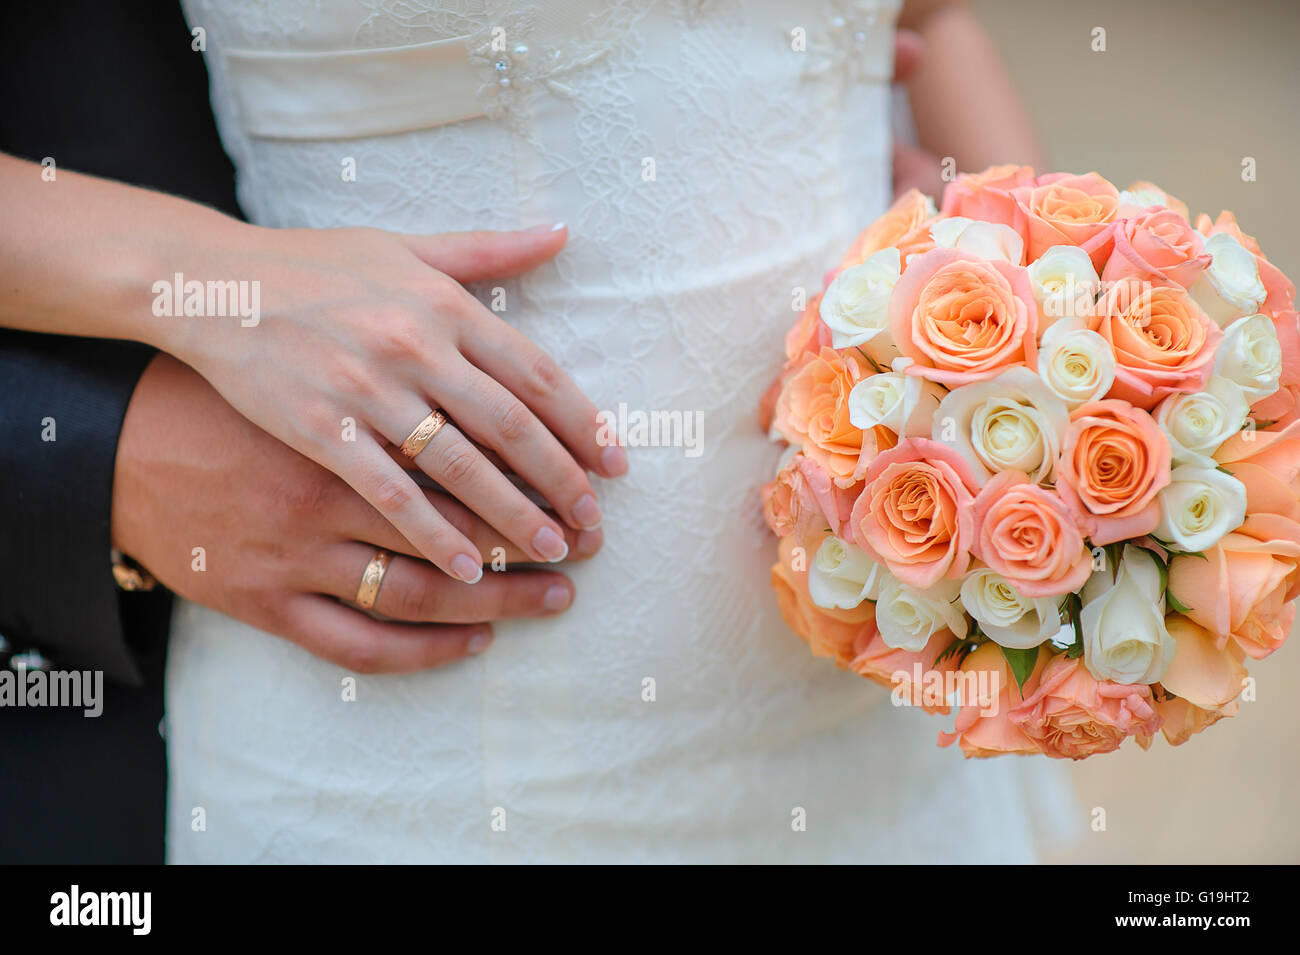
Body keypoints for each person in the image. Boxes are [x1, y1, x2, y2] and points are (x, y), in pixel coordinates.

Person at [1, 0, 1062, 862]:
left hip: (876, 734)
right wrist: (212, 284)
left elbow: (931, 18)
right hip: (419, 740)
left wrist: (1041, 280)